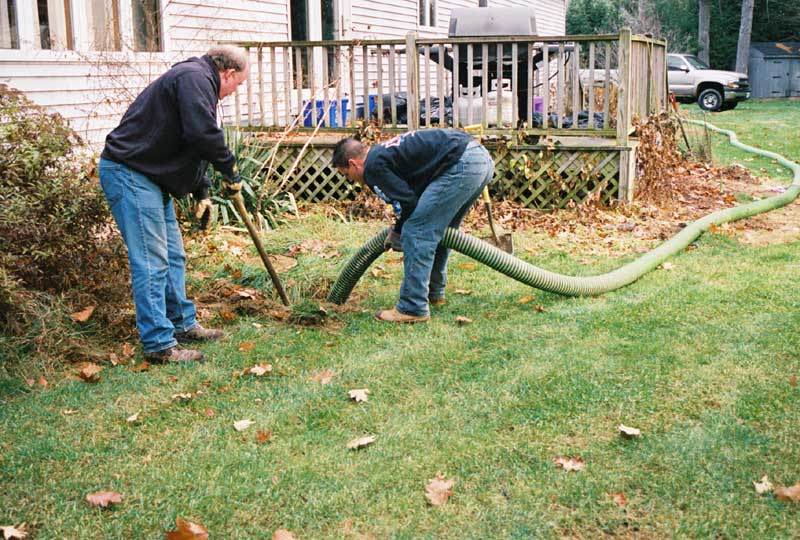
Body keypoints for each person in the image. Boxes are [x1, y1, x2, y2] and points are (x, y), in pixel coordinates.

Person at [98, 45, 248, 363]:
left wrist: (203, 191)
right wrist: (230, 169)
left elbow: (188, 142)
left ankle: (181, 324)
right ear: (229, 73)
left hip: (147, 176)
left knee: (173, 255)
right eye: (239, 85)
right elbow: (203, 134)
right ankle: (158, 345)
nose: (235, 92)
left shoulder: (196, 80)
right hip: (130, 172)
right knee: (152, 261)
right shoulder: (195, 77)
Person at [333, 128, 494, 323]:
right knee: (441, 231)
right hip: (479, 158)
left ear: (353, 163)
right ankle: (433, 294)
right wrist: (398, 229)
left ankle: (412, 307)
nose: (350, 180)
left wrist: (399, 231)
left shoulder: (373, 166)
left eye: (346, 174)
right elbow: (412, 197)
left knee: (417, 231)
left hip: (461, 162)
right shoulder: (382, 154)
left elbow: (407, 203)